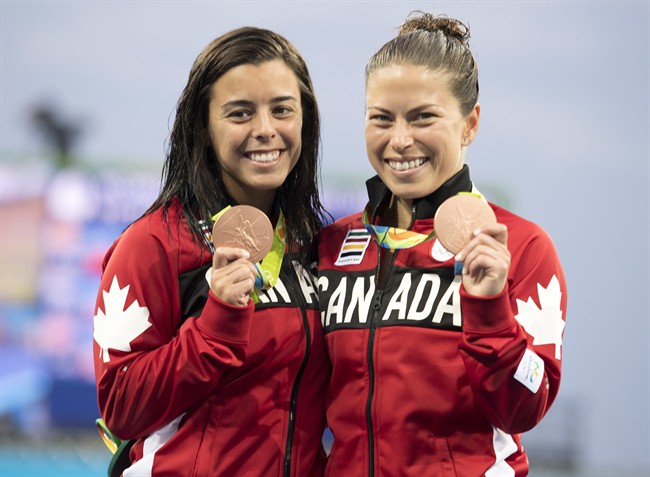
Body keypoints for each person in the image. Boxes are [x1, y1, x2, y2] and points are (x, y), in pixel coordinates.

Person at [317, 12, 568, 477]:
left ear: (469, 124)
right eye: (381, 119)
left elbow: (526, 406)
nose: (399, 140)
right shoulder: (334, 246)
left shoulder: (523, 247)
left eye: (423, 117)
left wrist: (490, 307)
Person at [92, 26, 331, 477]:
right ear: (203, 128)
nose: (265, 130)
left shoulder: (315, 245)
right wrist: (214, 326)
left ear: (305, 121)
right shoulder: (151, 246)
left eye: (282, 109)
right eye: (240, 113)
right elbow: (121, 406)